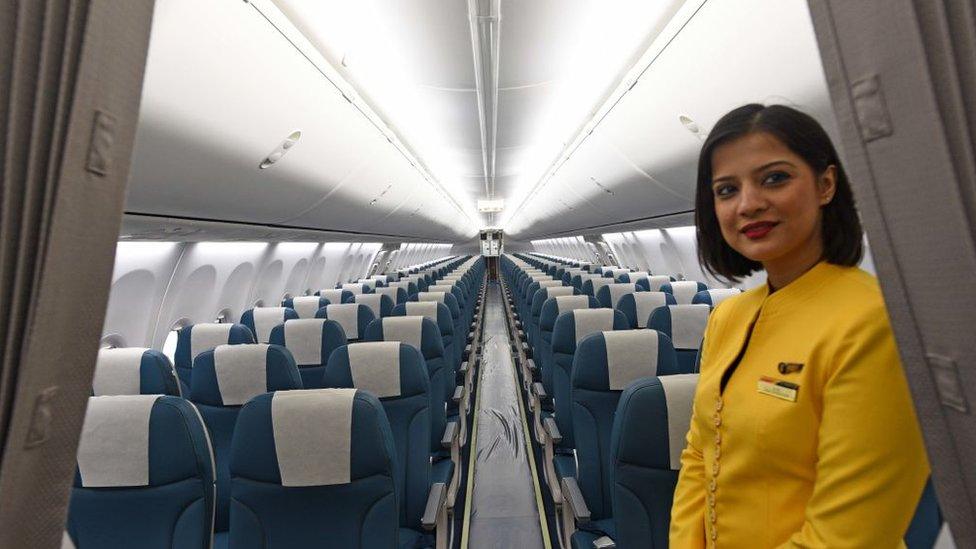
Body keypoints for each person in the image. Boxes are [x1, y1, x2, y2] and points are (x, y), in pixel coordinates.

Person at [669, 104, 930, 548]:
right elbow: (699, 454)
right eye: (727, 190)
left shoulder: (873, 322)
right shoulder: (729, 316)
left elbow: (848, 538)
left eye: (774, 178)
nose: (749, 204)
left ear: (826, 185)